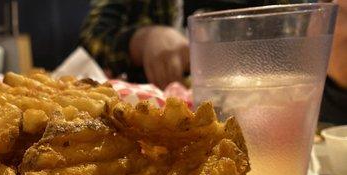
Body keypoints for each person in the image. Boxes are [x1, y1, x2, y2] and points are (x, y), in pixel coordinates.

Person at [80, 0, 347, 123]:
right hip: (153, 124)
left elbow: (315, 35)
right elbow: (95, 31)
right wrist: (142, 39)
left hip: (284, 118)